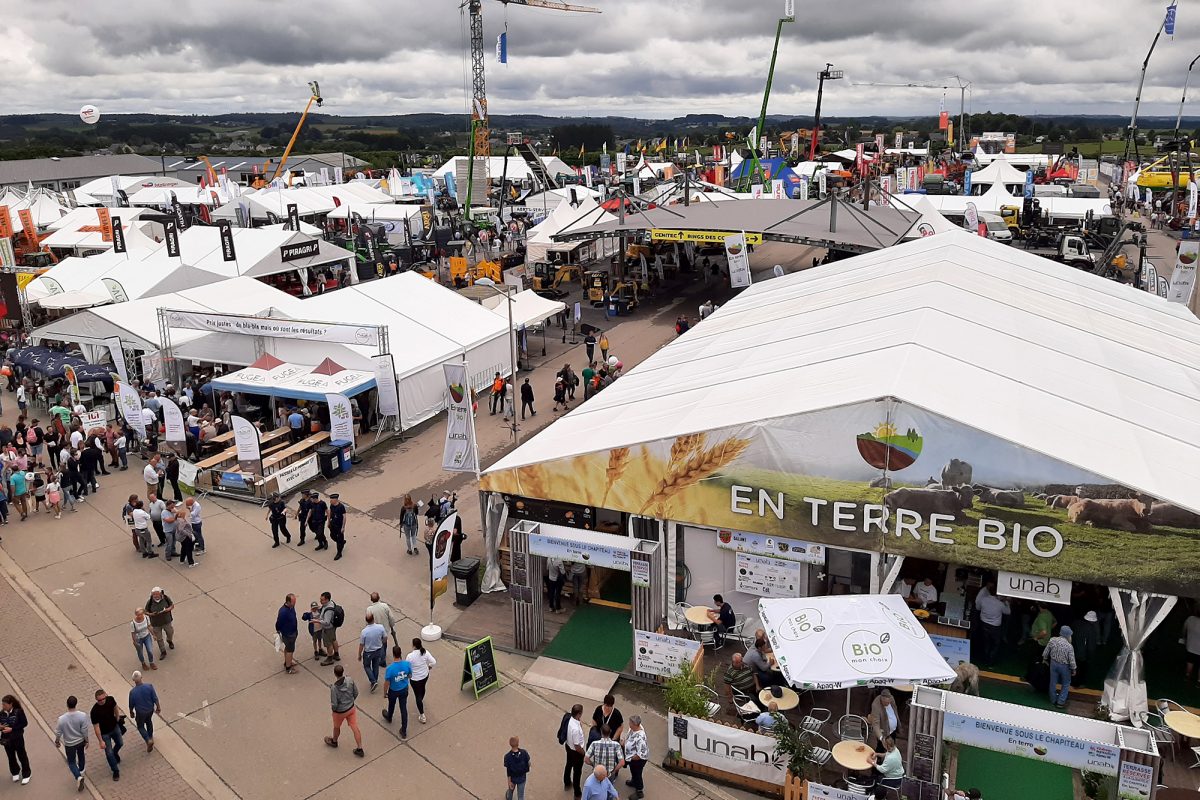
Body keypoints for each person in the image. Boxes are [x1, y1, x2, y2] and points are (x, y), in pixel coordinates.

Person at [326, 664, 365, 757]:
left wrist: (334, 711)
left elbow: (334, 704)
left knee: (336, 727)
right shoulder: (350, 680)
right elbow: (356, 692)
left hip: (339, 712)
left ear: (335, 674)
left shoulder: (334, 688)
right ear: (343, 671)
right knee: (355, 727)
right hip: (351, 708)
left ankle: (334, 741)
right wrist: (351, 701)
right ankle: (360, 748)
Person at [54, 695, 90, 791]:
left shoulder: (62, 719)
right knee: (81, 756)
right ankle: (81, 772)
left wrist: (57, 741)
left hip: (70, 744)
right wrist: (86, 740)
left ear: (67, 705)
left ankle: (78, 776)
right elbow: (84, 730)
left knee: (71, 762)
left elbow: (58, 732)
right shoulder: (82, 715)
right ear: (76, 704)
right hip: (80, 741)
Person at [89, 689, 123, 782]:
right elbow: (96, 727)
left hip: (114, 727)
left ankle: (115, 753)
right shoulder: (94, 711)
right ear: (96, 699)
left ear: (105, 696)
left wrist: (117, 717)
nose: (102, 701)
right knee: (109, 753)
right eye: (99, 700)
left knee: (120, 743)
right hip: (105, 734)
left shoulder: (110, 700)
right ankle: (115, 771)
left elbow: (115, 707)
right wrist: (100, 741)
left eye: (103, 698)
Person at [975, 583, 1009, 666]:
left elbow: (978, 608)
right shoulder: (1000, 604)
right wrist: (1006, 602)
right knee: (995, 644)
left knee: (986, 642)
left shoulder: (983, 600)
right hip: (995, 627)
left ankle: (985, 659)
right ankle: (990, 661)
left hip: (984, 624)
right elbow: (1008, 612)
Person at [381, 646, 412, 739]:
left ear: (393, 654)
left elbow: (387, 682)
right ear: (401, 653)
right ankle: (404, 730)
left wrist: (384, 692)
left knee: (391, 704)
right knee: (403, 709)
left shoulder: (390, 668)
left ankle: (389, 717)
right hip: (404, 689)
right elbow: (410, 675)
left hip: (393, 690)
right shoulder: (407, 664)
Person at [1043, 625, 1077, 708]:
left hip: (1053, 664)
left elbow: (1046, 651)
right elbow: (1071, 659)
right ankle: (1060, 702)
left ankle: (1053, 699)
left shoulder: (1053, 640)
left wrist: (1044, 659)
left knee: (1053, 682)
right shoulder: (1069, 646)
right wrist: (1074, 669)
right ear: (1068, 635)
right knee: (1066, 683)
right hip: (1065, 667)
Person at [0, 695, 31, 785]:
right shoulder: (2, 713)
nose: (3, 706)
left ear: (11, 704)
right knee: (11, 756)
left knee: (22, 755)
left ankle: (26, 774)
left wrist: (12, 729)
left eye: (5, 704)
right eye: (3, 704)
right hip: (6, 739)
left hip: (17, 738)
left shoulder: (19, 712)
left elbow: (24, 723)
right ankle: (15, 771)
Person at [405, 637, 437, 724]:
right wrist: (429, 667)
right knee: (422, 689)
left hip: (415, 679)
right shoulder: (425, 652)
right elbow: (433, 662)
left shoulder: (410, 656)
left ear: (413, 645)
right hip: (424, 676)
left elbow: (406, 668)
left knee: (417, 695)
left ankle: (422, 715)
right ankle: (421, 700)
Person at [359, 613, 388, 692]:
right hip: (378, 650)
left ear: (366, 620)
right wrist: (381, 643)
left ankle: (373, 681)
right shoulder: (380, 627)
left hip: (368, 652)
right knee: (375, 665)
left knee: (367, 666)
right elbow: (385, 637)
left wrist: (359, 654)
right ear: (373, 619)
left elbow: (361, 644)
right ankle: (375, 679)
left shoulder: (364, 632)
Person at [145, 587, 175, 659]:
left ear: (161, 593)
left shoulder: (166, 598)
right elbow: (145, 611)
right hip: (156, 623)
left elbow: (172, 605)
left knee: (170, 632)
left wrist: (167, 609)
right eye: (154, 595)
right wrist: (151, 614)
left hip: (166, 621)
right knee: (159, 638)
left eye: (157, 594)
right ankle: (163, 651)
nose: (155, 596)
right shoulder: (150, 602)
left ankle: (169, 640)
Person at [623, 715, 649, 799]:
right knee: (633, 771)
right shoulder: (633, 729)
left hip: (638, 760)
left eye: (630, 723)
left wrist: (630, 759)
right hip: (632, 757)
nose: (629, 724)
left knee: (637, 773)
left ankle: (639, 791)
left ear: (635, 724)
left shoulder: (640, 738)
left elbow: (639, 755)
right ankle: (633, 781)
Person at [564, 704, 585, 799]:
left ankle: (567, 782)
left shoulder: (569, 719)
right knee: (577, 772)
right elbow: (577, 745)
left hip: (568, 746)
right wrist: (583, 753)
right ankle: (577, 792)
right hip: (576, 752)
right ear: (579, 714)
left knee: (568, 765)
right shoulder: (576, 729)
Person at [276, 594, 299, 674]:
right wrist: (279, 631)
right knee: (290, 650)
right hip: (288, 634)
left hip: (293, 632)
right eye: (293, 601)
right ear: (288, 602)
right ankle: (288, 668)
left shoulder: (291, 607)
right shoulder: (283, 612)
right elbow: (278, 623)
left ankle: (287, 662)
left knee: (288, 648)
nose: (295, 603)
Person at [504, 735, 531, 800]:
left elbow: (508, 771)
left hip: (513, 779)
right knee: (521, 796)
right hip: (522, 778)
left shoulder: (507, 757)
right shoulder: (524, 752)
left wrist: (509, 782)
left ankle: (509, 797)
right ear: (518, 744)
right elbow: (529, 763)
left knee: (510, 791)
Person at [319, 592, 340, 665]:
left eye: (322, 600)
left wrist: (318, 621)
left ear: (327, 600)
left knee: (329, 644)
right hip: (333, 627)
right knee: (333, 639)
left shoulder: (328, 611)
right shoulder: (331, 603)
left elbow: (326, 622)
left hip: (328, 628)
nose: (320, 601)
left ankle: (330, 658)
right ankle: (336, 654)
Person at [1183, 607, 1200, 685]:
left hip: (1190, 647)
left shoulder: (1190, 619)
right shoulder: (1190, 619)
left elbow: (1184, 630)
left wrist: (1185, 638)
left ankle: (1187, 676)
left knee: (1190, 662)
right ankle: (1199, 681)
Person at [329, 493, 347, 560]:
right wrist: (329, 522)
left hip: (339, 526)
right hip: (333, 524)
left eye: (331, 499)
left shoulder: (341, 507)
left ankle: (339, 553)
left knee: (339, 539)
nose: (330, 500)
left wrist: (343, 527)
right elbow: (330, 513)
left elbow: (344, 517)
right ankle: (341, 542)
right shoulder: (332, 505)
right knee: (332, 536)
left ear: (336, 499)